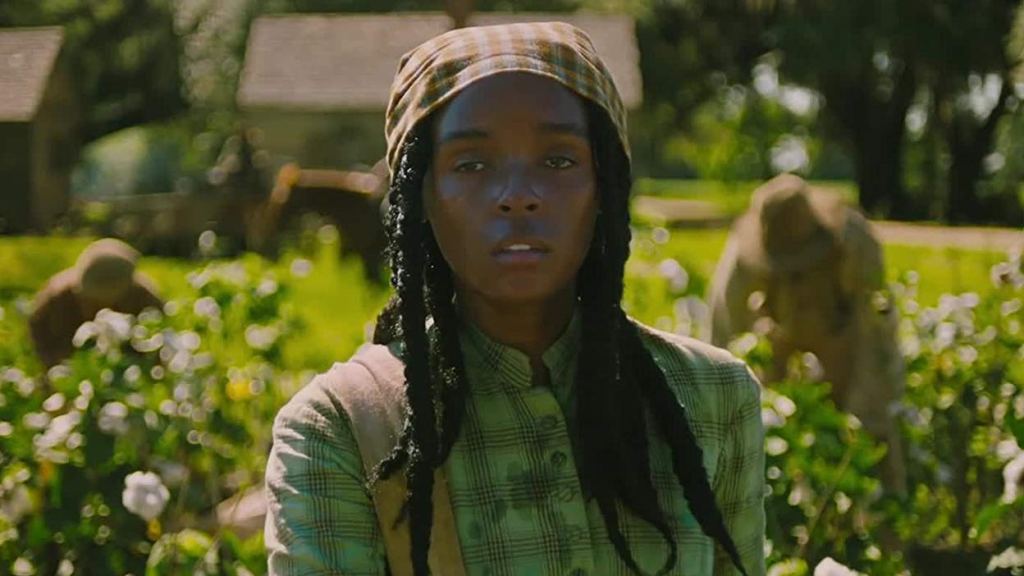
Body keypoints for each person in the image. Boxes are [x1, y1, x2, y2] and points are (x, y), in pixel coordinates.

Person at [265, 22, 766, 576]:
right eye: (472, 164)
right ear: (422, 197)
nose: (518, 196)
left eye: (558, 160)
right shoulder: (341, 431)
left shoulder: (715, 398)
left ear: (604, 187)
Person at [708, 174, 906, 494]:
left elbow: (878, 337)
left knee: (874, 433)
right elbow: (722, 343)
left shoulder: (855, 245)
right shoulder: (740, 264)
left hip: (843, 336)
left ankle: (886, 528)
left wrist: (864, 417)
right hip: (777, 337)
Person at [29, 238, 163, 367]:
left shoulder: (146, 301)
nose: (101, 309)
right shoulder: (55, 299)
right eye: (92, 302)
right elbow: (42, 340)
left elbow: (156, 349)